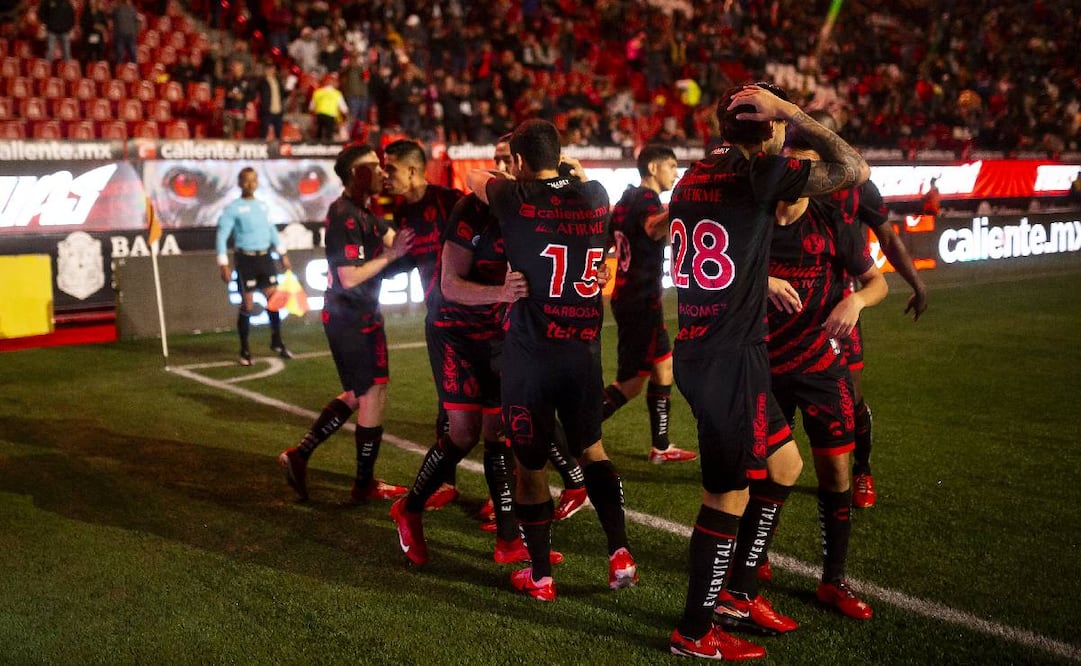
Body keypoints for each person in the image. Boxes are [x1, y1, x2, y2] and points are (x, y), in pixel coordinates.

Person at [667, 82, 869, 660]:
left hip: (714, 347)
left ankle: (738, 590)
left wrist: (753, 281)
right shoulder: (759, 175)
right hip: (728, 358)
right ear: (772, 130)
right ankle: (695, 629)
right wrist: (796, 114)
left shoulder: (694, 175)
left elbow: (721, 248)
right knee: (724, 497)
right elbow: (853, 167)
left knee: (785, 464)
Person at [468, 119, 637, 602]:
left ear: (518, 163)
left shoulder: (514, 197)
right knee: (593, 451)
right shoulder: (596, 194)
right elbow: (577, 180)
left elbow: (474, 180)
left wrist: (519, 178)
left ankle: (541, 575)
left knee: (530, 466)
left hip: (531, 355)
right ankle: (619, 552)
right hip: (582, 350)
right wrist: (568, 173)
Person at [763, 135, 889, 621]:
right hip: (763, 367)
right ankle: (758, 556)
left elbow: (876, 281)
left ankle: (833, 580)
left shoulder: (833, 223)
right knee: (764, 472)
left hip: (819, 367)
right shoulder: (751, 223)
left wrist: (855, 300)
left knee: (835, 472)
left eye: (810, 173)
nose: (804, 180)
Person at [278, 144, 414, 503]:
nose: (382, 172)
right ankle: (363, 484)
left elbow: (399, 241)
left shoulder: (364, 213)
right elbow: (349, 277)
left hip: (360, 315)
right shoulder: (345, 215)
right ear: (357, 174)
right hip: (351, 317)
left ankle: (300, 454)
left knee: (359, 392)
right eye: (373, 166)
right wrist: (390, 256)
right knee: (373, 393)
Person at [382, 139, 465, 511]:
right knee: (446, 403)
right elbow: (408, 262)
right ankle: (446, 483)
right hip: (438, 320)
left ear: (413, 170)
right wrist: (386, 259)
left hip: (476, 316)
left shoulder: (450, 201)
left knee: (498, 408)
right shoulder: (403, 213)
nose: (386, 177)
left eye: (391, 169)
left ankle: (511, 494)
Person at [601, 144, 696, 464]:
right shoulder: (645, 199)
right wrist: (684, 202)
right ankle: (574, 433)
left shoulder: (626, 198)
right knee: (630, 383)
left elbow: (610, 238)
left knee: (662, 367)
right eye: (671, 166)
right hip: (640, 301)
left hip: (634, 297)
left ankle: (661, 446)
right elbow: (653, 228)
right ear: (653, 168)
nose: (675, 172)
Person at [215, 167, 294, 366]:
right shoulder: (234, 208)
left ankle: (276, 341)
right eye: (247, 180)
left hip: (265, 257)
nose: (251, 184)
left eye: (254, 180)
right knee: (248, 305)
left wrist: (282, 253)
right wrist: (223, 263)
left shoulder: (262, 206)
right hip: (246, 260)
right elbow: (222, 235)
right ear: (240, 183)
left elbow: (271, 231)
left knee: (273, 300)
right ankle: (245, 349)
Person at [310, 73, 348, 142]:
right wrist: (345, 119)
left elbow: (311, 108)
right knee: (329, 134)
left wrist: (313, 118)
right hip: (331, 116)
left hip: (319, 115)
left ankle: (317, 146)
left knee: (319, 133)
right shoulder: (337, 94)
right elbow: (344, 109)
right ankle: (328, 147)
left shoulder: (317, 92)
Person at [222, 60, 253, 140]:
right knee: (228, 135)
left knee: (239, 135)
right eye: (234, 68)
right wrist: (229, 94)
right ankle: (229, 151)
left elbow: (251, 95)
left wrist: (243, 97)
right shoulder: (229, 80)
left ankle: (239, 151)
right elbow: (224, 94)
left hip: (241, 111)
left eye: (238, 69)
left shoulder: (247, 81)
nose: (236, 70)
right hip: (229, 112)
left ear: (242, 70)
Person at [256, 60, 285, 141]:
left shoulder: (278, 81)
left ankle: (278, 151)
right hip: (267, 111)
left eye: (272, 68)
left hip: (278, 111)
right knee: (263, 133)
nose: (270, 70)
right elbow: (256, 91)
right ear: (265, 70)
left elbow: (283, 94)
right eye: (268, 68)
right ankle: (261, 150)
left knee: (278, 134)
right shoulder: (262, 81)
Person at [109, 0, 139, 64]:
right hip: (120, 35)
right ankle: (119, 70)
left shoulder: (132, 9)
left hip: (130, 35)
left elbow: (136, 21)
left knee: (133, 54)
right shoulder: (117, 9)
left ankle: (134, 70)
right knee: (120, 54)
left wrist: (135, 32)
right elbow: (109, 15)